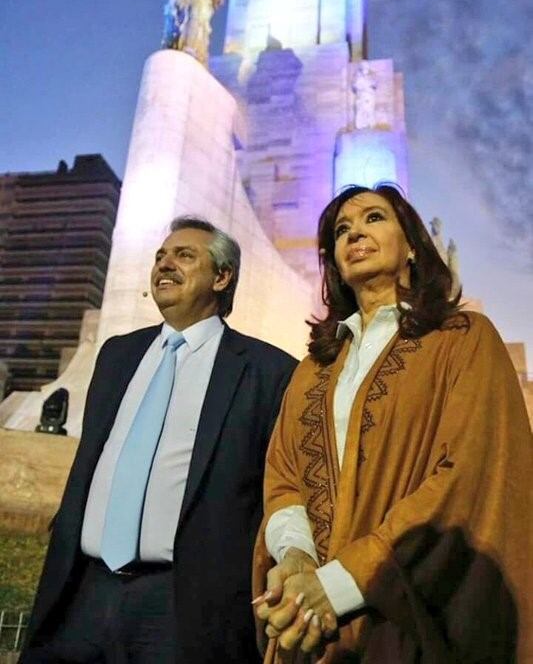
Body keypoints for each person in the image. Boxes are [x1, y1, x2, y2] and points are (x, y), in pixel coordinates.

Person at [253, 185, 532, 663]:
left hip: (413, 620)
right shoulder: (313, 367)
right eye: (341, 230)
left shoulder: (462, 340)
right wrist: (297, 561)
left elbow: (470, 474)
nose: (355, 232)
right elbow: (284, 479)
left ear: (411, 248)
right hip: (309, 625)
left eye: (374, 218)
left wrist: (341, 584)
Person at [22, 216, 297, 663]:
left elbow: (276, 488)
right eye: (160, 256)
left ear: (222, 277)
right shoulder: (117, 355)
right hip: (83, 593)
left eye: (185, 255)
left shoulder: (268, 372)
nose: (165, 264)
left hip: (180, 605)